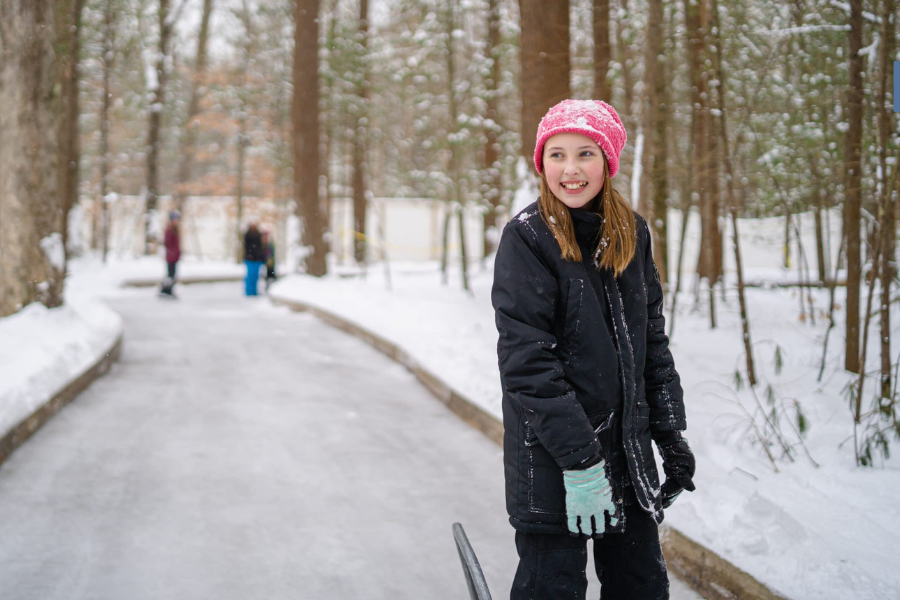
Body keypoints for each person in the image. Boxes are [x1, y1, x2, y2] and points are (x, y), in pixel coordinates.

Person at [491, 99, 696, 600]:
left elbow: (651, 343)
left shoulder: (633, 233)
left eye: (585, 154)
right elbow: (528, 366)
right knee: (552, 588)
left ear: (608, 162)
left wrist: (670, 435)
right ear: (542, 165)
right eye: (557, 155)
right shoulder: (527, 238)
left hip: (626, 456)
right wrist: (582, 465)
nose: (571, 169)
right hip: (552, 460)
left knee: (641, 587)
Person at [159, 210, 181, 298]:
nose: (177, 221)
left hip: (174, 256)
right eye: (176, 219)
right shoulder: (170, 230)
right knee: (170, 275)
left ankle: (168, 290)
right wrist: (173, 252)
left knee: (172, 274)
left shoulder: (175, 230)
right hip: (171, 256)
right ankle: (166, 290)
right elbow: (167, 243)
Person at [243, 220, 265, 296]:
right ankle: (249, 291)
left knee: (255, 276)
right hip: (250, 259)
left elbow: (260, 247)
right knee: (250, 276)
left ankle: (254, 291)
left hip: (257, 260)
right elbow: (247, 247)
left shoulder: (259, 235)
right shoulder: (247, 235)